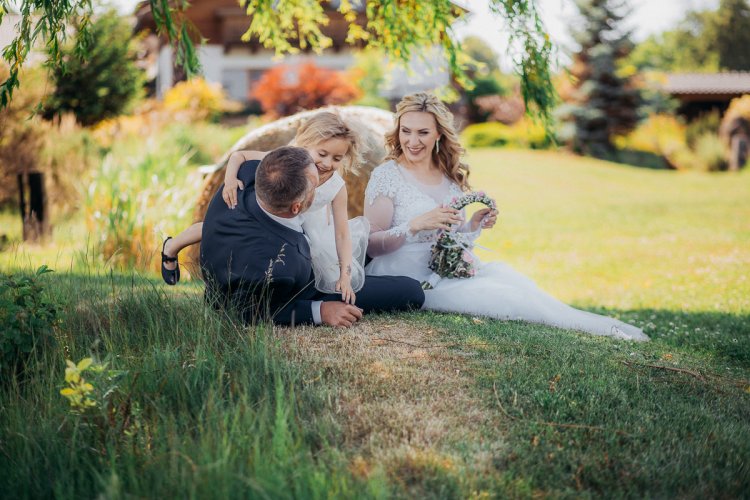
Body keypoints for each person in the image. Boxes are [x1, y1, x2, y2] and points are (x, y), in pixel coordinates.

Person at [363, 92, 649, 341]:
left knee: (516, 283)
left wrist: (472, 226)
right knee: (506, 297)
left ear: (439, 134)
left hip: (447, 270)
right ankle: (591, 329)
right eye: (406, 131)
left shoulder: (448, 176)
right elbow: (372, 244)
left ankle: (598, 328)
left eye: (422, 133)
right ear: (397, 132)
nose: (413, 141)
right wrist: (415, 225)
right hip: (405, 274)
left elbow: (449, 238)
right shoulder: (387, 175)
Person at [200, 146, 424, 327]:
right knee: (411, 291)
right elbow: (246, 312)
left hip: (308, 248)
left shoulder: (245, 177)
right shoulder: (278, 268)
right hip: (310, 285)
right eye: (315, 186)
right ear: (297, 207)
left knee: (368, 246)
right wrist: (319, 311)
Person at [162, 112, 369, 304]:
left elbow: (342, 234)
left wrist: (345, 274)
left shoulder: (336, 187)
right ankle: (171, 247)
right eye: (322, 153)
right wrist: (230, 180)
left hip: (302, 231)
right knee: (212, 226)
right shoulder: (288, 161)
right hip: (271, 216)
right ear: (306, 144)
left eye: (337, 158)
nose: (327, 163)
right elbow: (239, 156)